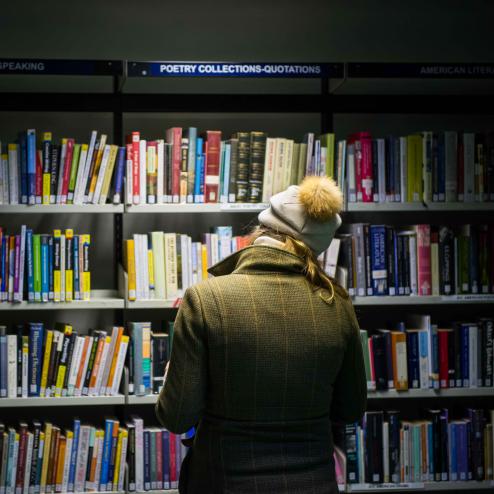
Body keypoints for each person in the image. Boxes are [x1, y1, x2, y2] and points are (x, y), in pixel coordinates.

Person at [156, 175, 367, 494]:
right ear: (317, 248)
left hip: (222, 482)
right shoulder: (336, 303)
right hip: (314, 483)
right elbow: (349, 409)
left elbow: (176, 416)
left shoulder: (205, 299)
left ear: (261, 231)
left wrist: (175, 376)